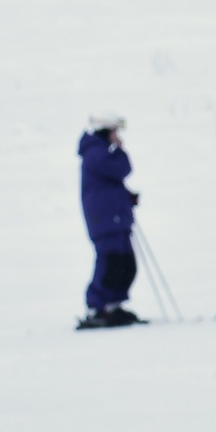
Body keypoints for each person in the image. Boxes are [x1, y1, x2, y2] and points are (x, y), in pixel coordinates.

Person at [77, 112, 142, 331]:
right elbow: (121, 169)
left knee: (125, 264)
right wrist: (120, 149)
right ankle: (97, 307)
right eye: (115, 131)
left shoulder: (100, 153)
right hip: (106, 220)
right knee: (111, 262)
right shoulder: (96, 153)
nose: (118, 136)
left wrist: (126, 197)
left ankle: (112, 306)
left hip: (114, 219)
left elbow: (110, 183)